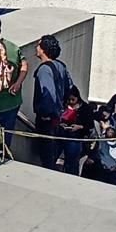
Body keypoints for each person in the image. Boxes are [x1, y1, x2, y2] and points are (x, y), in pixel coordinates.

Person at [0, 17, 28, 157]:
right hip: (12, 101)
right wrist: (18, 83)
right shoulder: (12, 47)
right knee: (6, 137)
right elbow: (24, 65)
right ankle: (4, 158)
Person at [33, 34, 75, 170]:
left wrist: (45, 113)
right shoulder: (61, 66)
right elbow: (70, 87)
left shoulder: (44, 70)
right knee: (53, 151)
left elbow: (47, 94)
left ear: (43, 49)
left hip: (47, 119)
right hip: (58, 116)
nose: (36, 47)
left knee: (46, 154)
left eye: (38, 45)